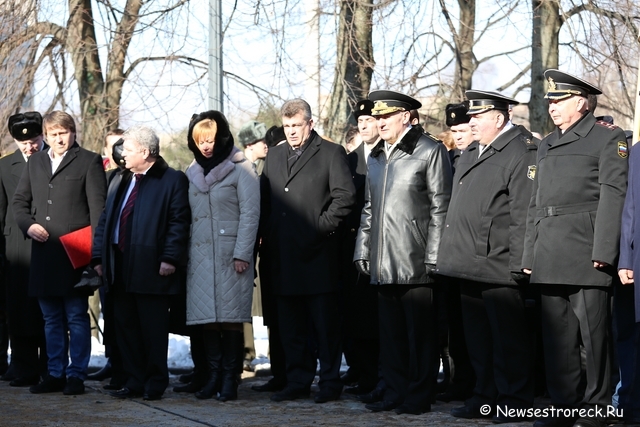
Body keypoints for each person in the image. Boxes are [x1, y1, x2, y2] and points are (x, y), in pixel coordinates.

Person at [522, 70, 628, 427]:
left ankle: (597, 407)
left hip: (586, 250)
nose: (552, 106)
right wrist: (528, 254)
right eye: (551, 100)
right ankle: (563, 404)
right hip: (549, 249)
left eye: (560, 100)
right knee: (558, 338)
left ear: (582, 102)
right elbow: (534, 202)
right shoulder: (547, 143)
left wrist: (604, 250)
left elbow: (613, 196)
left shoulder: (605, 139)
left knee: (594, 337)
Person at [436, 90, 537, 422]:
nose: (471, 122)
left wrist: (520, 263)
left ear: (498, 118)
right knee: (478, 341)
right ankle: (485, 397)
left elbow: (523, 211)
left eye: (477, 117)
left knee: (508, 342)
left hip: (499, 262)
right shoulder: (473, 151)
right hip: (468, 261)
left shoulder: (520, 152)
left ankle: (514, 400)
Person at [353, 89, 452, 415]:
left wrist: (434, 255)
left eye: (385, 116)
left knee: (419, 336)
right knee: (391, 336)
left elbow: (441, 207)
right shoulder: (377, 156)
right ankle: (394, 391)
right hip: (383, 260)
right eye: (376, 117)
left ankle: (418, 395)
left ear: (407, 117)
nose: (379, 123)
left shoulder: (430, 150)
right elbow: (370, 207)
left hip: (416, 261)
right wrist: (362, 249)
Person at [260, 98, 355, 404]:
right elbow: (265, 200)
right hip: (283, 255)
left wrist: (319, 226)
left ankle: (329, 380)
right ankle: (297, 379)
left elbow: (345, 197)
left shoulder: (330, 152)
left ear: (310, 124)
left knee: (325, 325)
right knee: (291, 325)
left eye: (296, 126)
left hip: (318, 255)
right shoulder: (273, 156)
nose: (291, 132)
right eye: (287, 126)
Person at [92, 126, 190, 401]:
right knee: (125, 327)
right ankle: (134, 380)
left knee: (152, 329)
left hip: (152, 265)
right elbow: (105, 221)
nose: (123, 155)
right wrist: (98, 257)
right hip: (118, 264)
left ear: (145, 153)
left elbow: (178, 223)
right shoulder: (120, 179)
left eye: (129, 150)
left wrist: (169, 257)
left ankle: (155, 382)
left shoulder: (172, 180)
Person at [12, 111, 106, 396]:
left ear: (73, 133)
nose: (58, 138)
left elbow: (98, 213)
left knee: (76, 317)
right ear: (46, 135)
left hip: (74, 254)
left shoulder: (89, 161)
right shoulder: (36, 161)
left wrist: (96, 257)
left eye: (63, 133)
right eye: (53, 134)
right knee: (51, 319)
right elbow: (19, 202)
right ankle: (54, 373)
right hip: (43, 254)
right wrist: (29, 226)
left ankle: (76, 374)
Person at [183, 111, 260, 401]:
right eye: (200, 141)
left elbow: (251, 214)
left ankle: (230, 378)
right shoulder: (193, 172)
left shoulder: (242, 168)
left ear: (223, 137)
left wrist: (242, 253)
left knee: (230, 318)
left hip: (231, 256)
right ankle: (213, 376)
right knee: (208, 319)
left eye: (211, 140)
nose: (206, 146)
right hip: (200, 256)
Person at [0, 112, 47, 387]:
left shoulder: (55, 160)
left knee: (47, 311)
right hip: (16, 248)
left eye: (35, 140)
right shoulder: (6, 167)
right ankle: (24, 366)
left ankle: (47, 366)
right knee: (19, 309)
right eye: (23, 143)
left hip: (47, 245)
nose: (30, 147)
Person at [340, 99, 382, 399]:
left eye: (370, 120)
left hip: (386, 246)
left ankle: (384, 376)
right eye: (361, 122)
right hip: (355, 248)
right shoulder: (348, 160)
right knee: (360, 318)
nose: (366, 126)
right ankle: (366, 376)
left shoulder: (391, 154)